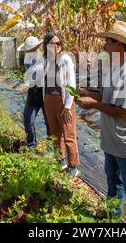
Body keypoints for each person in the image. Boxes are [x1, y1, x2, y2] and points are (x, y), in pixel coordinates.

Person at [76, 21, 126, 223]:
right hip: (113, 141)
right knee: (114, 183)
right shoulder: (117, 66)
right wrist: (90, 93)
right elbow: (111, 97)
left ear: (119, 45)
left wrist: (93, 104)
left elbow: (125, 111)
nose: (104, 45)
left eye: (108, 41)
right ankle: (113, 216)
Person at [42, 32, 80, 178]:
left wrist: (67, 105)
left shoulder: (65, 59)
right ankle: (61, 159)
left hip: (63, 102)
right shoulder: (46, 60)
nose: (57, 46)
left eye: (59, 44)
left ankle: (73, 165)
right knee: (55, 133)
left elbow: (71, 83)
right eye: (53, 44)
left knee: (68, 134)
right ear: (47, 46)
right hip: (49, 100)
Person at [19, 36, 50, 148]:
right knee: (28, 119)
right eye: (30, 50)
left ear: (39, 46)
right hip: (34, 92)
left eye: (34, 48)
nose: (32, 51)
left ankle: (53, 148)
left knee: (49, 122)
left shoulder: (47, 58)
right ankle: (31, 145)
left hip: (46, 92)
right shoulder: (28, 60)